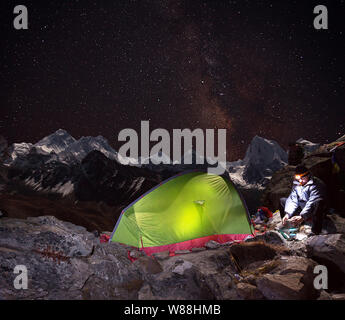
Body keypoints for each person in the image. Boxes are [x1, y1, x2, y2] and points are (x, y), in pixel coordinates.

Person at [280, 165, 327, 235]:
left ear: (308, 175)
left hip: (313, 210)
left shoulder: (316, 184)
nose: (300, 180)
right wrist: (287, 214)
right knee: (283, 200)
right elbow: (293, 199)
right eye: (298, 178)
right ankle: (289, 224)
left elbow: (312, 201)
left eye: (302, 178)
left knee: (319, 202)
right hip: (303, 208)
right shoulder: (297, 183)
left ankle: (316, 231)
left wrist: (302, 216)